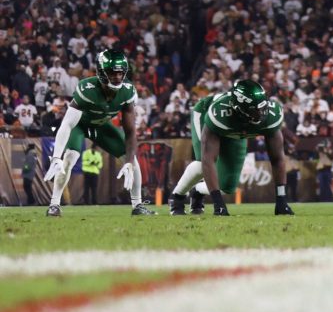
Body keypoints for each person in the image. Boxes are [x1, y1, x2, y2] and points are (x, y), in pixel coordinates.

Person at [43, 48, 151, 217]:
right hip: (80, 125)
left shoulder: (127, 91)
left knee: (132, 160)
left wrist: (128, 161)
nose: (117, 77)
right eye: (112, 73)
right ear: (101, 72)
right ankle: (54, 204)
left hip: (101, 126)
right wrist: (56, 155)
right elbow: (67, 124)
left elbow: (130, 132)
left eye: (120, 73)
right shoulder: (87, 89)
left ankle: (137, 205)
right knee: (69, 159)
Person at [170, 79, 293, 216]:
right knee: (202, 162)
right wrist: (219, 204)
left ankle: (198, 191)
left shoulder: (272, 114)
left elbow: (277, 159)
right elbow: (208, 160)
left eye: (263, 108)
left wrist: (282, 200)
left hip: (237, 127)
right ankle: (177, 197)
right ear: (240, 109)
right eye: (255, 110)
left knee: (227, 186)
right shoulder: (219, 114)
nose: (262, 113)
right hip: (206, 116)